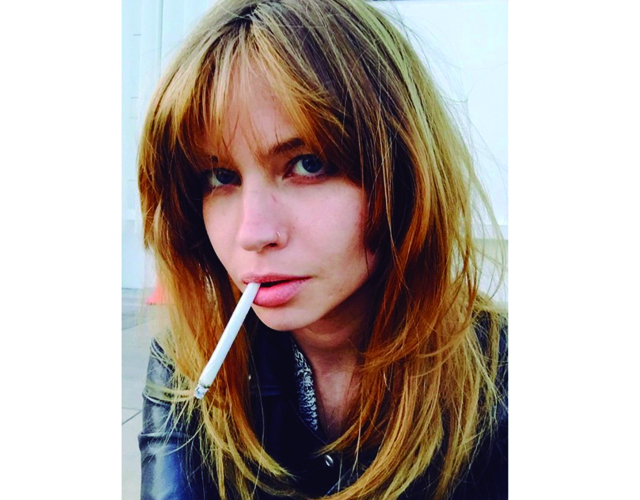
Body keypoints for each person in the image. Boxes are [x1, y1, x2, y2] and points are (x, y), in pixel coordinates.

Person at [137, 0, 507, 499]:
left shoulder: (502, 379)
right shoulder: (191, 362)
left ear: (402, 170)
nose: (253, 233)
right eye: (221, 176)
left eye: (307, 164)